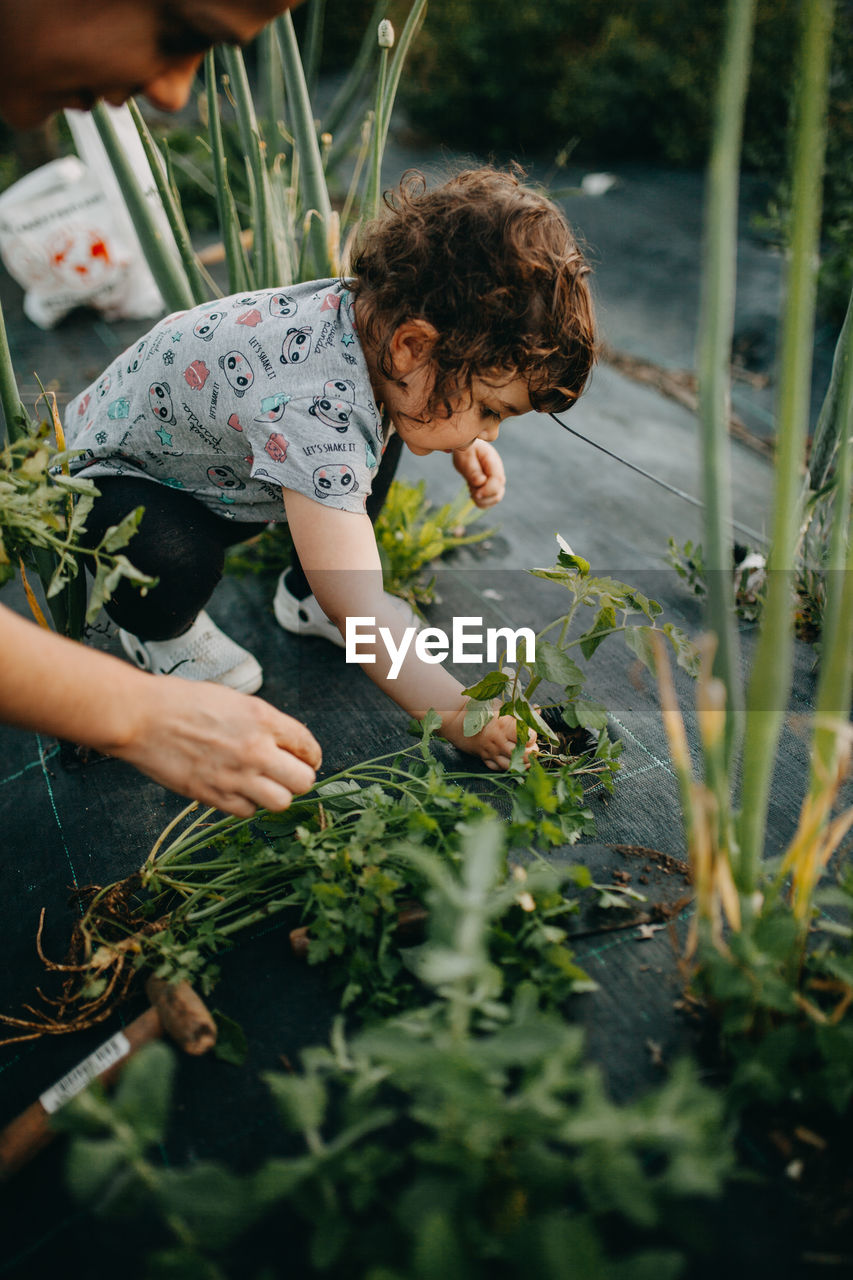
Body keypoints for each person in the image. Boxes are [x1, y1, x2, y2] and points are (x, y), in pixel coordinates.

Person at [63, 167, 596, 772]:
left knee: (396, 418)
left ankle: (304, 594)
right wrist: (460, 718)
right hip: (116, 489)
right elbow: (362, 609)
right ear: (413, 346)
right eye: (490, 410)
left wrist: (459, 439)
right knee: (171, 554)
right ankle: (158, 633)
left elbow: (409, 401)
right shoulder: (316, 406)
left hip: (218, 474)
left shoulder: (373, 325)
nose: (491, 430)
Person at [0, 0, 324, 817]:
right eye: (179, 37)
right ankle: (160, 628)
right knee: (149, 531)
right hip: (121, 472)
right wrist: (136, 714)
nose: (174, 94)